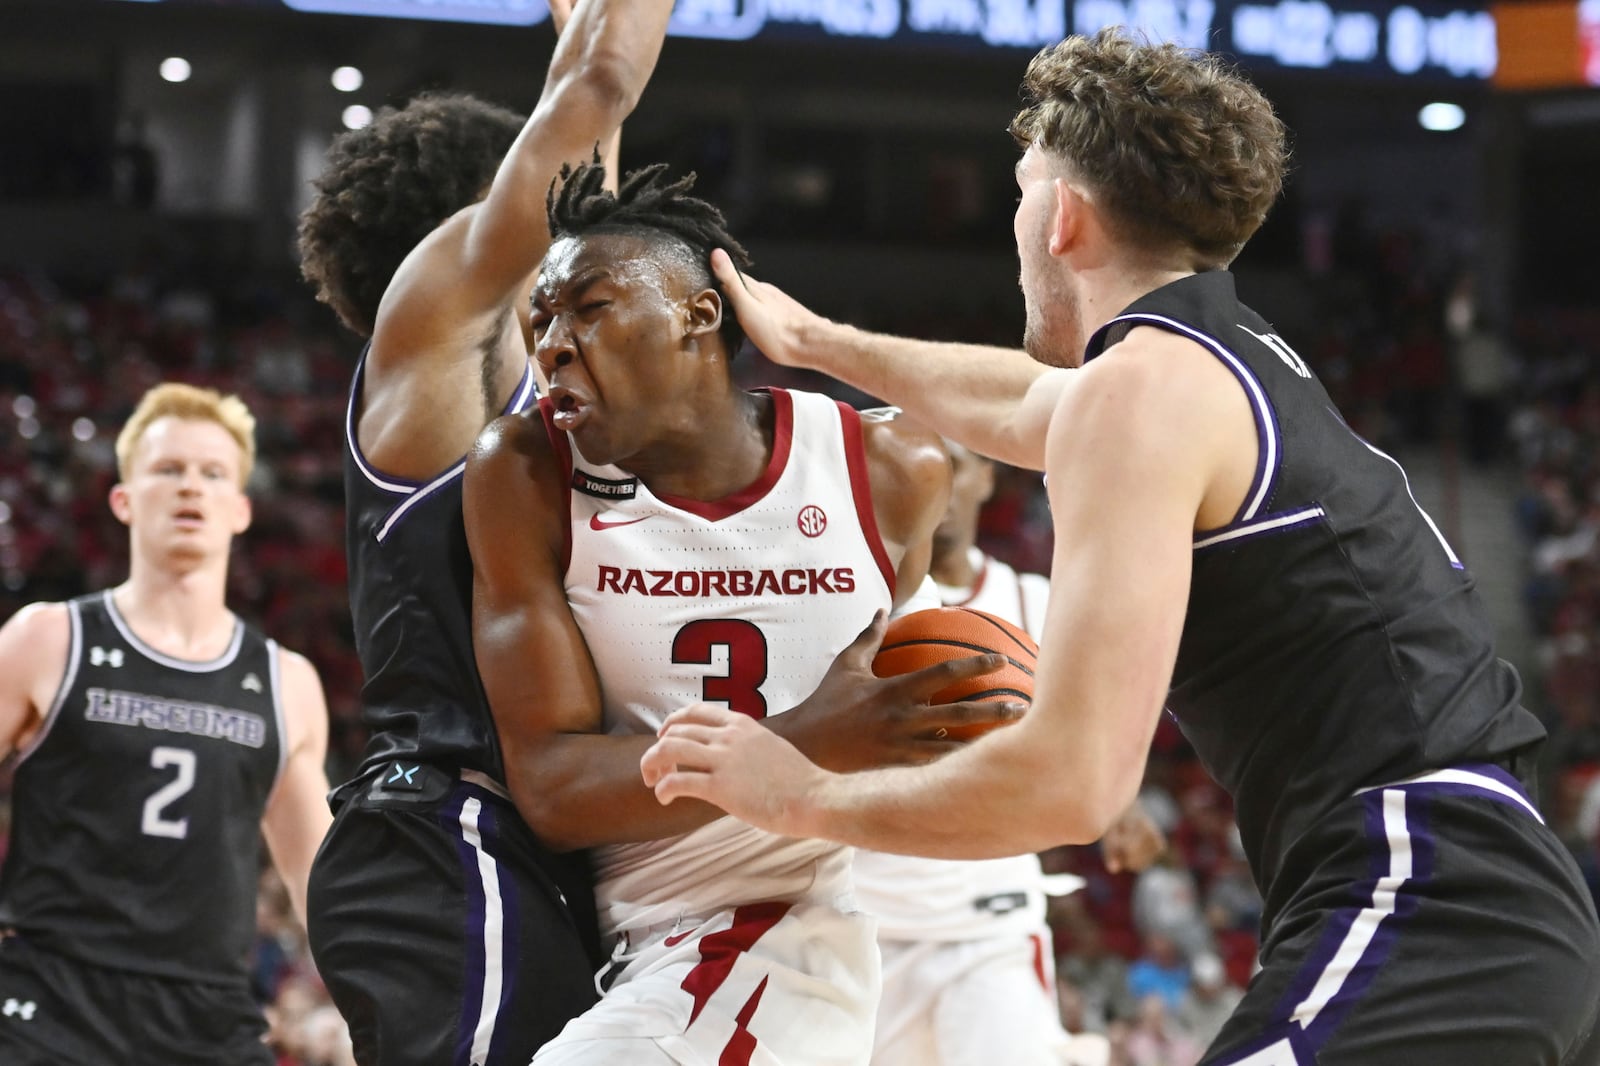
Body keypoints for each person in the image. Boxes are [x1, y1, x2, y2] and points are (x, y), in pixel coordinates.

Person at [641, 28, 1600, 1065]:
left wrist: (799, 794)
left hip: (1427, 891)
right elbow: (1024, 402)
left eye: (1018, 192)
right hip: (1470, 898)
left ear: (1061, 216)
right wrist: (819, 344)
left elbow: (1073, 782)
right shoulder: (1211, 361)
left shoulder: (1139, 391)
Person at [464, 160, 1019, 1066]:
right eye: (541, 321)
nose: (554, 345)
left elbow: (898, 714)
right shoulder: (525, 471)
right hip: (608, 942)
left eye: (590, 309)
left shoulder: (888, 469)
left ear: (699, 316)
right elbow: (555, 789)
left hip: (774, 939)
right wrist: (802, 737)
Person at [294, 1, 679, 1061]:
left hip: (530, 839)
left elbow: (584, 206)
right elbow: (586, 117)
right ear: (471, 224)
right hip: (445, 830)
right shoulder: (427, 323)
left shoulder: (509, 380)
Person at [0, 382, 332, 1065]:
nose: (192, 487)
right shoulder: (48, 639)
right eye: (168, 469)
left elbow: (320, 884)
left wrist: (388, 1010)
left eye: (213, 473)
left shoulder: (286, 682)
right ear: (123, 499)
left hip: (209, 1018)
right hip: (51, 1006)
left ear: (240, 510)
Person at [854, 438, 1162, 1066]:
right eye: (913, 469)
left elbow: (1093, 744)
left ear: (986, 479)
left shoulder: (1036, 602)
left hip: (989, 924)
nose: (933, 488)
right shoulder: (847, 602)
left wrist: (1118, 800)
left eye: (953, 468)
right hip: (864, 927)